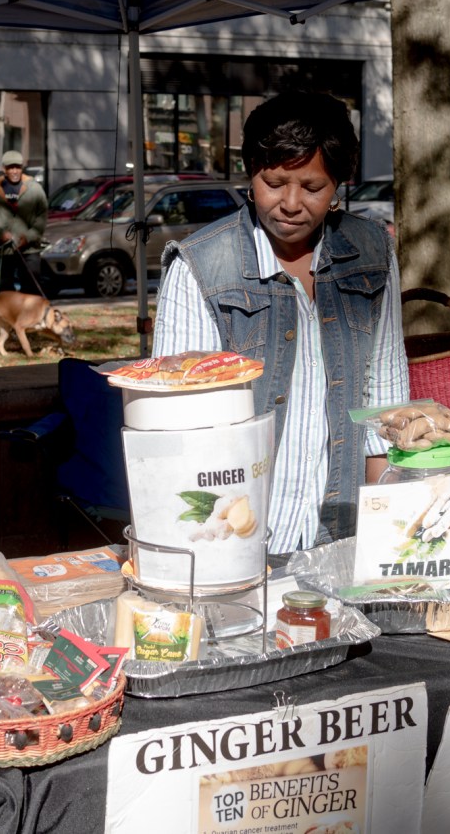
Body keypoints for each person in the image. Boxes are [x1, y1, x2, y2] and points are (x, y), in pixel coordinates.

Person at [153, 91, 409, 553]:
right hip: (237, 538)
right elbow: (180, 433)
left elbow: (386, 409)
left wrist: (386, 537)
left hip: (342, 535)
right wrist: (217, 551)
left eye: (312, 188)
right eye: (274, 183)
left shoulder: (373, 252)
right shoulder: (201, 268)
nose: (290, 203)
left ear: (338, 187)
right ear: (251, 175)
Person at [0, 150, 48, 294]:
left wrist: (28, 237)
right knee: (5, 293)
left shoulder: (35, 189)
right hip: (2, 250)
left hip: (29, 249)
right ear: (4, 169)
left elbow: (41, 218)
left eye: (18, 167)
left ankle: (30, 317)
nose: (15, 171)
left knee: (32, 291)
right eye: (11, 168)